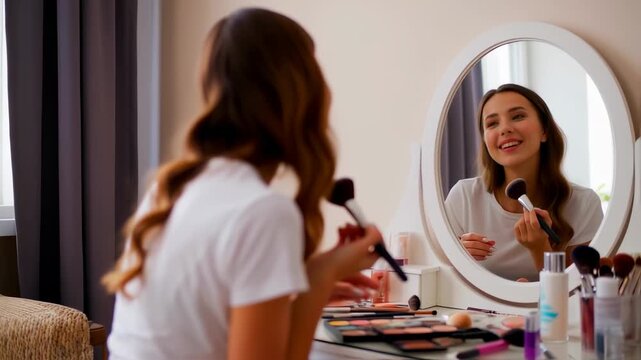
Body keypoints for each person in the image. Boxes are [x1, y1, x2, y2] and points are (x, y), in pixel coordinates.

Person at [101, 8, 382, 359]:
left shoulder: (172, 190)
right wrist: (321, 278)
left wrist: (311, 279)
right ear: (299, 93)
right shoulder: (263, 212)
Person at [444, 83, 603, 282]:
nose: (505, 129)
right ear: (485, 140)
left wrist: (540, 250)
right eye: (492, 123)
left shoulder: (584, 203)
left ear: (544, 130)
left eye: (518, 116)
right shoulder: (464, 197)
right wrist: (457, 256)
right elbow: (446, 280)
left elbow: (577, 293)